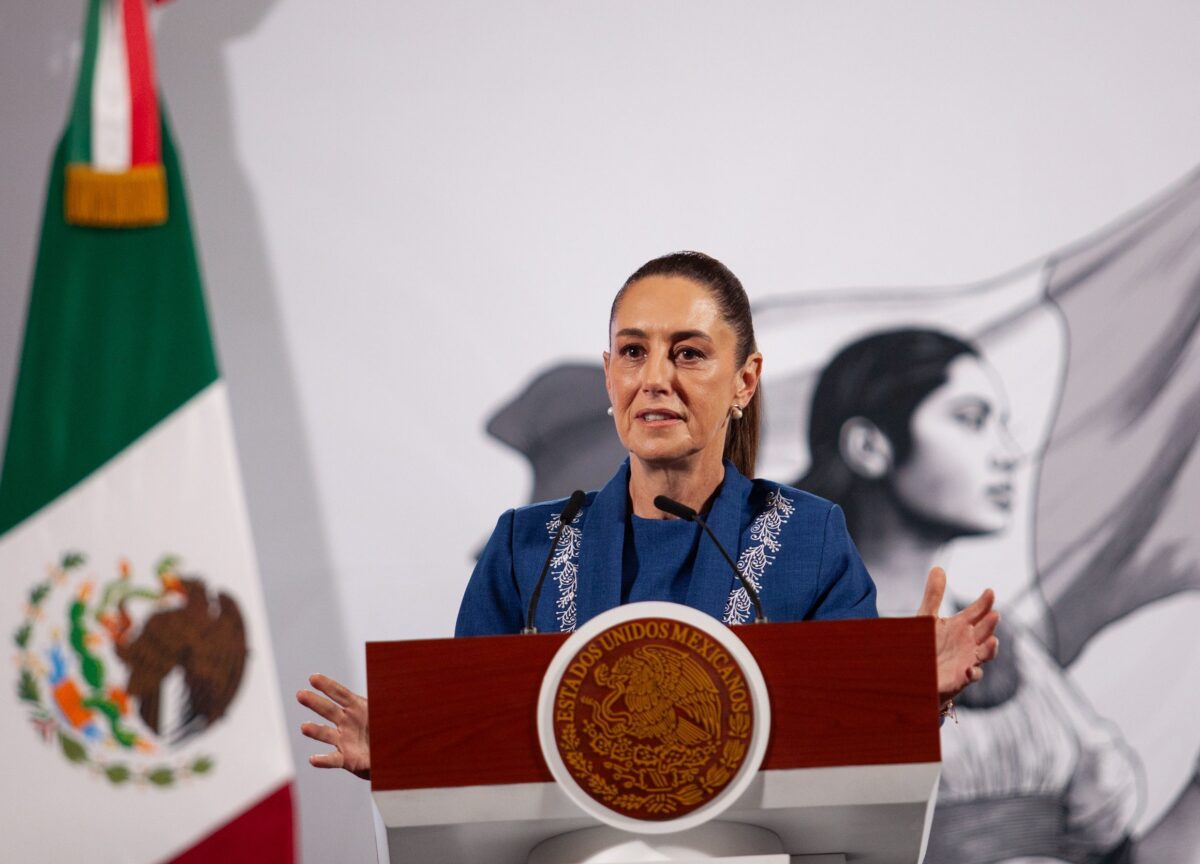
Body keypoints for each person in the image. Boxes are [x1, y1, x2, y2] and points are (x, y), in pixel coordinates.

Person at [297, 253, 1000, 782]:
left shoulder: (809, 539)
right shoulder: (524, 547)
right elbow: (478, 747)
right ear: (610, 376)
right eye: (634, 352)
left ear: (744, 381)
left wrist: (913, 696)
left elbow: (853, 758)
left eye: (688, 353)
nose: (654, 377)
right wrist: (412, 757)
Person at [799, 328, 1200, 864]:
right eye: (970, 418)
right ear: (870, 446)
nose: (1009, 452)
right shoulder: (785, 640)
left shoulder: (1010, 645)